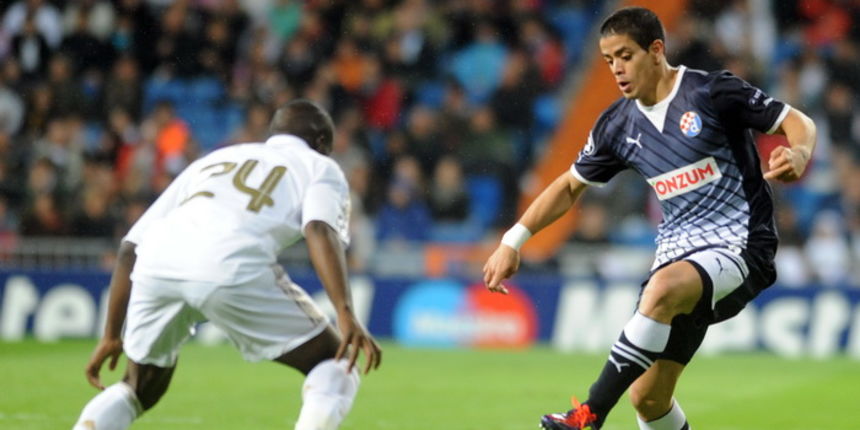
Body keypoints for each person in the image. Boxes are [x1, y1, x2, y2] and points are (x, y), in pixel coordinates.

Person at [483, 7, 816, 430]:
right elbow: (569, 186)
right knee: (649, 398)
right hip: (678, 253)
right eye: (608, 60)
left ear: (656, 50)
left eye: (625, 55)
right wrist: (512, 242)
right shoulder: (617, 126)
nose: (616, 69)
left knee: (660, 290)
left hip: (741, 244)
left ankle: (587, 416)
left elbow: (796, 122)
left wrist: (799, 152)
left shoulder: (711, 92)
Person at [72, 99, 382, 430]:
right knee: (334, 365)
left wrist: (110, 335)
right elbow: (319, 229)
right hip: (228, 264)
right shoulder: (320, 166)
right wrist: (346, 312)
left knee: (137, 388)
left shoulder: (215, 159)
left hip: (157, 263)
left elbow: (129, 249)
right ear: (322, 144)